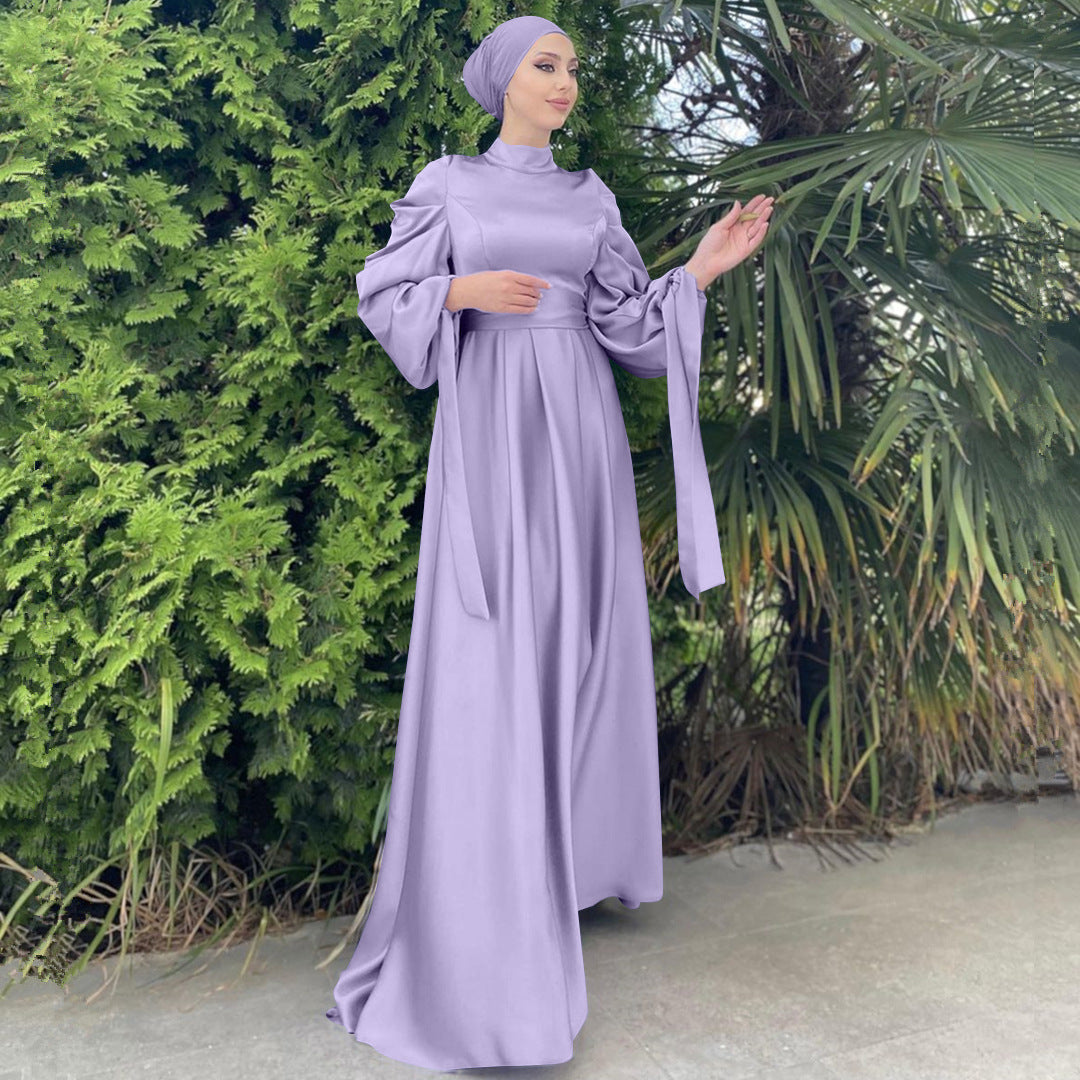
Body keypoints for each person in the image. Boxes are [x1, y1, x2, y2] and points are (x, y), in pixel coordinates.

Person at [325, 14, 774, 1072]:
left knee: (575, 641)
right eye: (546, 64)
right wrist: (460, 291)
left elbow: (630, 327)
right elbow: (384, 293)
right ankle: (483, 904)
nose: (565, 81)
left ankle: (561, 868)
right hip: (491, 431)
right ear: (503, 80)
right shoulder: (448, 184)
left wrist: (702, 269)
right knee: (491, 651)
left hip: (579, 436)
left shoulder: (590, 198)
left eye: (572, 67)